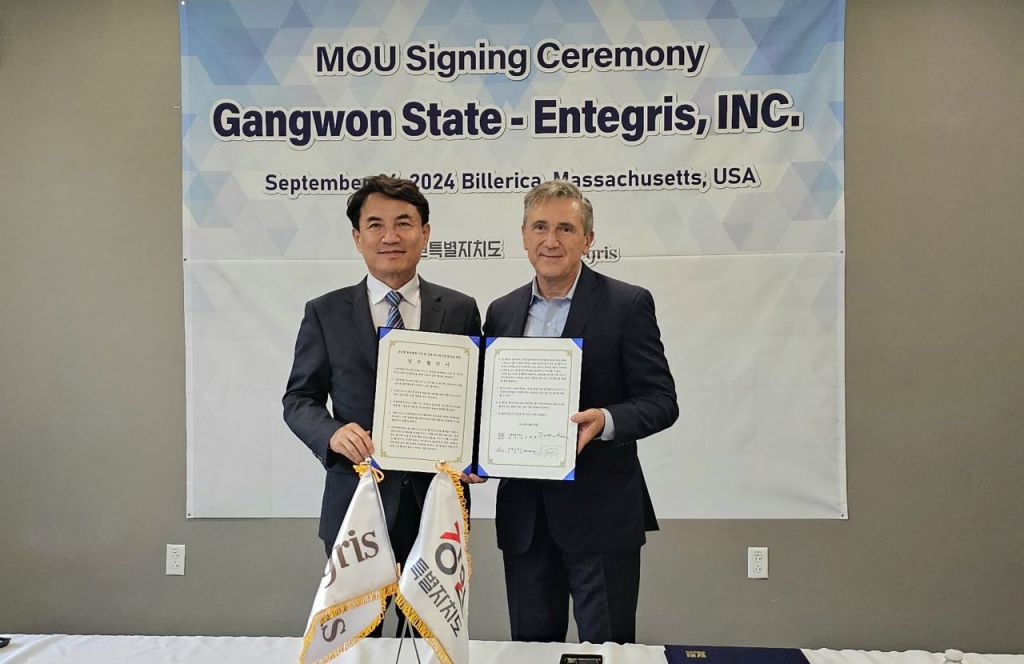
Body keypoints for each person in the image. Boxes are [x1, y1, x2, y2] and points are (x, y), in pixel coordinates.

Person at [282, 175, 481, 633]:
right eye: (375, 225)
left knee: (430, 644)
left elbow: (476, 398)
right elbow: (299, 399)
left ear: (425, 233)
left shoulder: (460, 309)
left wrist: (477, 450)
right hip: (356, 506)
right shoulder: (325, 312)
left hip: (437, 506)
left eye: (404, 223)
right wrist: (332, 433)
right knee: (356, 643)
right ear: (358, 238)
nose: (390, 236)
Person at [484, 180, 678, 644]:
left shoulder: (627, 304)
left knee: (608, 651)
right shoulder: (501, 312)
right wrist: (471, 453)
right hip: (526, 521)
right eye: (540, 227)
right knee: (530, 653)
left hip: (602, 517)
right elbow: (487, 403)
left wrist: (605, 421)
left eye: (565, 228)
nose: (551, 240)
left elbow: (660, 401)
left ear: (588, 239)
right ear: (524, 235)